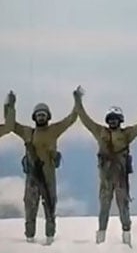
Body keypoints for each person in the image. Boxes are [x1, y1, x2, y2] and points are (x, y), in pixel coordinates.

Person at [75, 88, 137, 246]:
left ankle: (127, 240)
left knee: (124, 208)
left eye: (115, 119)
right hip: (105, 178)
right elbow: (85, 119)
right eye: (111, 119)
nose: (112, 121)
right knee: (104, 209)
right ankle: (100, 241)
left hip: (120, 178)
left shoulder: (126, 134)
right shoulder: (100, 131)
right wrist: (78, 101)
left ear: (120, 120)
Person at [4, 88, 80, 245]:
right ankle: (29, 240)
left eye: (43, 115)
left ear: (48, 117)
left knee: (50, 210)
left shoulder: (54, 130)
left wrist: (77, 101)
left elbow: (71, 119)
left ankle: (50, 241)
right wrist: (10, 106)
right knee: (30, 210)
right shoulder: (27, 132)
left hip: (49, 178)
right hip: (32, 178)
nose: (41, 117)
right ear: (34, 117)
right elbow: (11, 125)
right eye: (38, 115)